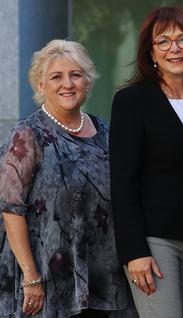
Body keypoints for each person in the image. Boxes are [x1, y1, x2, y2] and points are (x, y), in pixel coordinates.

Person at [0, 40, 135, 317]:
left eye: (76, 75)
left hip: (104, 278)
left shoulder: (107, 132)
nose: (68, 84)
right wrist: (31, 276)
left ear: (87, 82)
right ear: (41, 86)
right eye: (56, 77)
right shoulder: (26, 136)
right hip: (47, 280)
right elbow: (11, 209)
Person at [109, 6, 183, 318]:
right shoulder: (132, 102)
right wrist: (134, 252)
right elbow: (123, 182)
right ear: (151, 52)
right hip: (154, 242)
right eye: (163, 42)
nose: (175, 49)